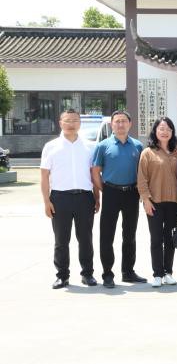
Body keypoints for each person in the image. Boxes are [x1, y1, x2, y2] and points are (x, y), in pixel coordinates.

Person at [41, 109, 99, 289]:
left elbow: (94, 175)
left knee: (86, 238)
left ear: (80, 123)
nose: (71, 124)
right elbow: (44, 177)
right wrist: (46, 202)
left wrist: (97, 197)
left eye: (74, 120)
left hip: (84, 197)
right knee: (61, 240)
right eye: (67, 120)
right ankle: (62, 276)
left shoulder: (90, 147)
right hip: (60, 198)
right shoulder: (50, 146)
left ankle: (87, 274)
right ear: (60, 123)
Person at [91, 110, 146, 289]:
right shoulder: (103, 146)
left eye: (124, 121)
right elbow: (95, 171)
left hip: (132, 193)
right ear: (111, 124)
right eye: (117, 121)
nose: (120, 124)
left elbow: (143, 171)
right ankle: (107, 273)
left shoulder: (138, 146)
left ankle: (128, 272)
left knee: (129, 235)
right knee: (107, 236)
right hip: (111, 193)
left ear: (130, 124)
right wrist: (104, 189)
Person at [137, 117, 177, 287]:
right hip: (154, 202)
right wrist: (146, 200)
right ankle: (157, 273)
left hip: (174, 203)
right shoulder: (147, 153)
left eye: (168, 129)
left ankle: (168, 272)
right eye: (161, 128)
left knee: (170, 239)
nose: (165, 132)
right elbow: (142, 179)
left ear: (172, 132)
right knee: (156, 239)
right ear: (155, 131)